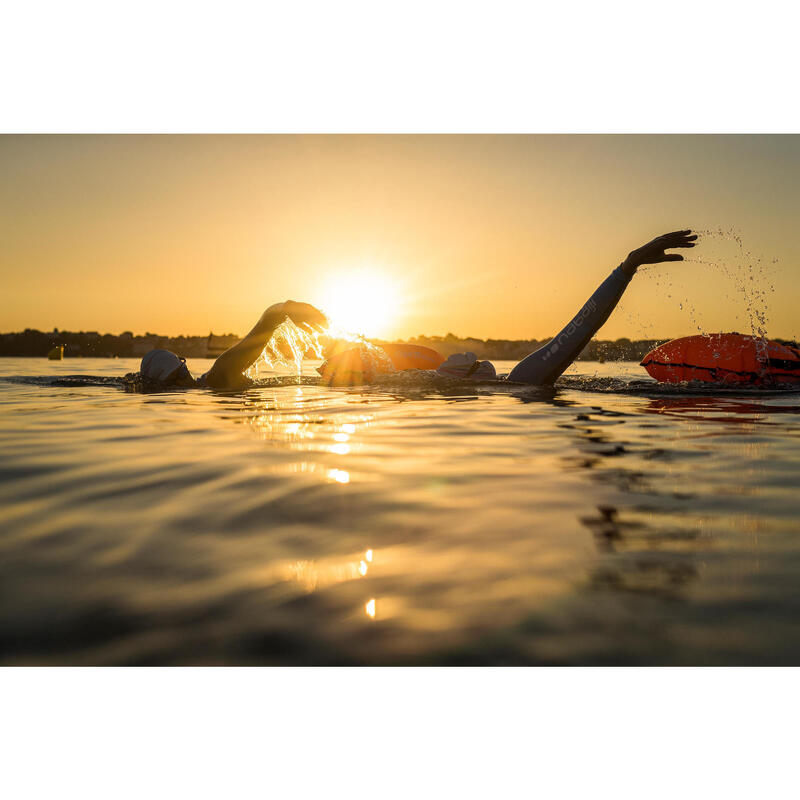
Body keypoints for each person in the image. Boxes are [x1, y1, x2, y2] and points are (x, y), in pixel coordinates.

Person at [139, 230, 697, 390]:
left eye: (470, 362)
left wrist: (627, 266)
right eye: (471, 364)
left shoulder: (504, 385)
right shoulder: (514, 384)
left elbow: (575, 332)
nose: (479, 362)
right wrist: (626, 267)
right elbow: (576, 333)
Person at [138, 301, 328, 390]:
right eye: (178, 375)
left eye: (183, 370)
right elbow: (264, 326)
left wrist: (284, 309)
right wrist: (283, 309)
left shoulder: (213, 378)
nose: (185, 377)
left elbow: (261, 329)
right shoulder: (217, 378)